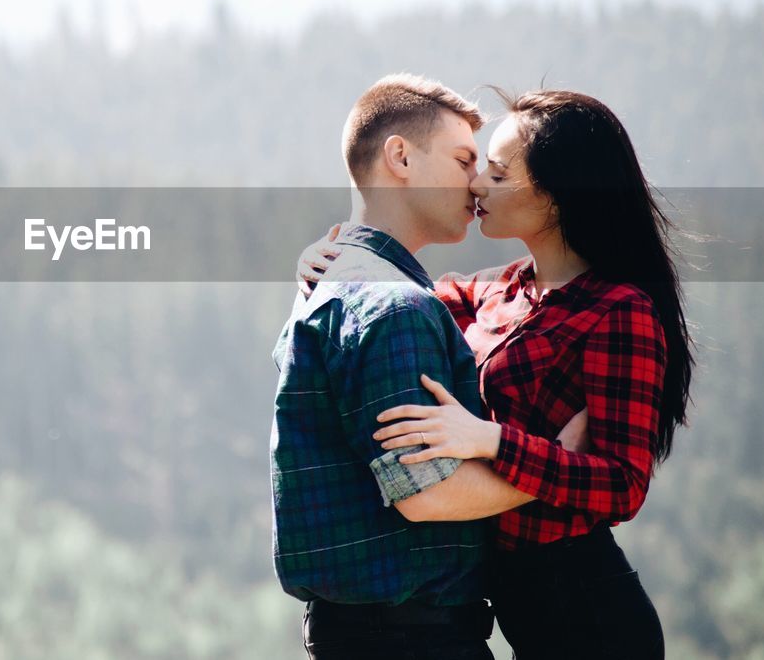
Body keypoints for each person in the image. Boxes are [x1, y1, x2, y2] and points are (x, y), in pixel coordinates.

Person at [297, 89, 694, 659]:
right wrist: (327, 256)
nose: (478, 184)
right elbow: (387, 304)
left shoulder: (618, 310)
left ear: (558, 195)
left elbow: (623, 484)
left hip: (586, 611)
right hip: (509, 603)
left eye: (499, 173)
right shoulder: (493, 290)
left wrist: (494, 442)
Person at [271, 74, 588, 660]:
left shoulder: (333, 282)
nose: (476, 182)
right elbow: (427, 492)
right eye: (464, 158)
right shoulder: (396, 306)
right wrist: (557, 469)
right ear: (400, 157)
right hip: (412, 639)